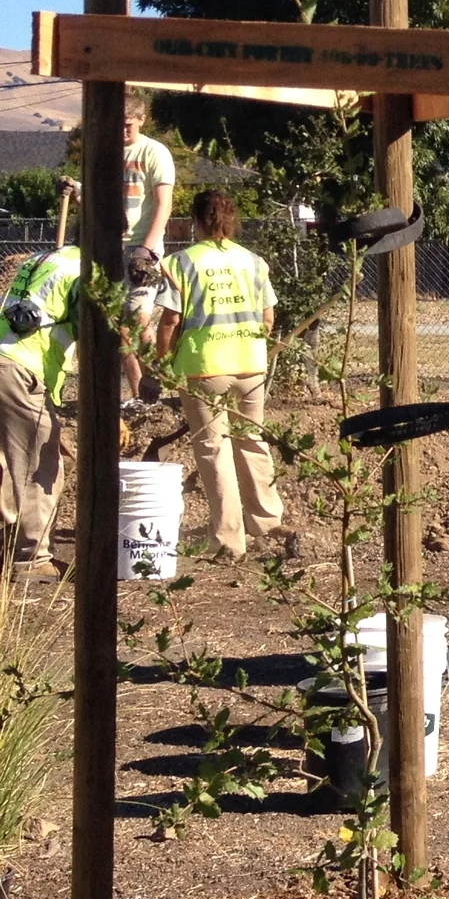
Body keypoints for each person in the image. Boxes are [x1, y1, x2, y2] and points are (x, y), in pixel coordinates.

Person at [154, 190, 289, 562]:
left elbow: (170, 321)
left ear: (196, 221)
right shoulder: (253, 262)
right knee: (252, 441)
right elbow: (268, 318)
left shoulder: (181, 263)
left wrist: (163, 362)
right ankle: (267, 521)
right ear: (232, 221)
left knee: (214, 450)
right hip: (250, 366)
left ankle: (229, 541)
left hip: (204, 368)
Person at [66, 93, 175, 405]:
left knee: (139, 319)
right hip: (109, 248)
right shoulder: (105, 153)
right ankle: (140, 394)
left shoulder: (154, 152)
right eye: (118, 124)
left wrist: (147, 250)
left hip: (141, 248)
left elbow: (164, 204)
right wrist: (76, 193)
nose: (123, 130)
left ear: (141, 120)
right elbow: (97, 201)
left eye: (128, 124)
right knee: (117, 324)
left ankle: (154, 386)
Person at [0, 245, 80, 577]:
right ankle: (31, 560)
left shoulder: (40, 261)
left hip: (5, 358)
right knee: (39, 465)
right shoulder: (84, 272)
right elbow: (93, 335)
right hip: (22, 369)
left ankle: (8, 541)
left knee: (9, 459)